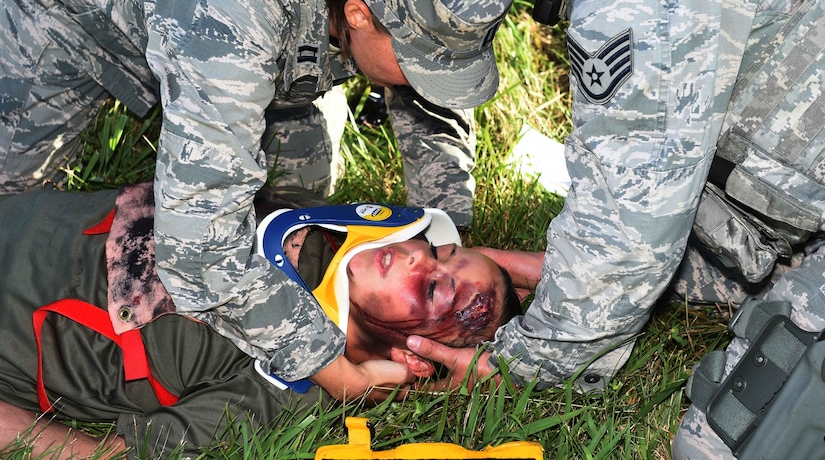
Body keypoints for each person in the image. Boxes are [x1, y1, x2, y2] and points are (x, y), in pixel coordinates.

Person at [0, 0, 520, 400]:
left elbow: (434, 94)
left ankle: (259, 98)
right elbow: (196, 245)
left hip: (250, 33)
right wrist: (334, 368)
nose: (425, 82)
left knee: (300, 183)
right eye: (418, 64)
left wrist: (447, 237)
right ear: (358, 15)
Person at [399, 0, 825, 457]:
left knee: (729, 440)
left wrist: (518, 366)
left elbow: (629, 236)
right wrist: (552, 270)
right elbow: (739, 220)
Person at [0, 184, 526, 458]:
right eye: (440, 250)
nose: (417, 258)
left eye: (434, 286)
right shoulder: (318, 227)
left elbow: (105, 454)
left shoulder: (289, 389)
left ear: (413, 355)